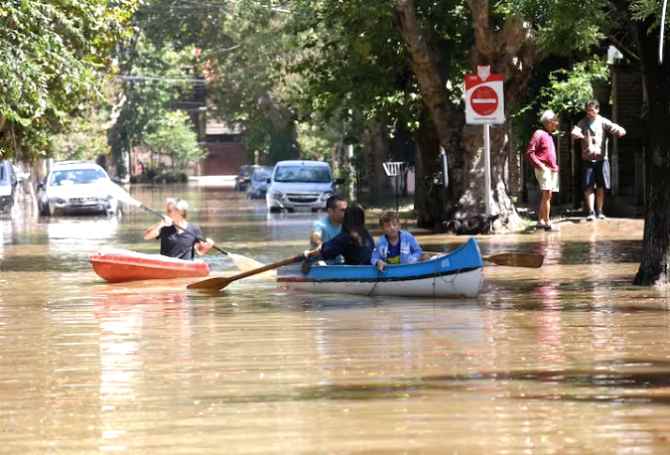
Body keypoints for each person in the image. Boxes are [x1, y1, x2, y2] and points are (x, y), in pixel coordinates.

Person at [571, 99, 626, 221]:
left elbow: (613, 127)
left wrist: (620, 130)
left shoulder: (602, 121)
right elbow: (574, 131)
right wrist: (577, 135)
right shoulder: (583, 122)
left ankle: (600, 211)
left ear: (597, 109)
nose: (590, 112)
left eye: (592, 110)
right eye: (588, 110)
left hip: (601, 159)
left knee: (601, 186)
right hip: (587, 159)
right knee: (588, 186)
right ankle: (591, 212)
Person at [143, 198, 214, 260]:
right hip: (167, 265)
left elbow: (200, 252)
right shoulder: (164, 227)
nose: (167, 213)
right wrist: (160, 224)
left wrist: (208, 246)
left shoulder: (194, 229)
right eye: (167, 211)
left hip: (185, 267)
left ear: (181, 212)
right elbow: (146, 237)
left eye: (169, 211)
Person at [305, 205, 374, 265]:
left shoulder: (345, 237)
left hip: (354, 269)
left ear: (346, 219)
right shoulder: (367, 234)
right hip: (369, 266)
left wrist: (309, 254)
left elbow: (326, 252)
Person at [526, 109, 560, 231]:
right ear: (550, 121)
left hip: (551, 169)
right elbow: (530, 152)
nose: (557, 123)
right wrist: (540, 165)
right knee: (547, 194)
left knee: (547, 196)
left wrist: (554, 167)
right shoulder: (539, 133)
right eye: (555, 121)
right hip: (544, 169)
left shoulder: (549, 135)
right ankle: (547, 222)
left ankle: (540, 220)